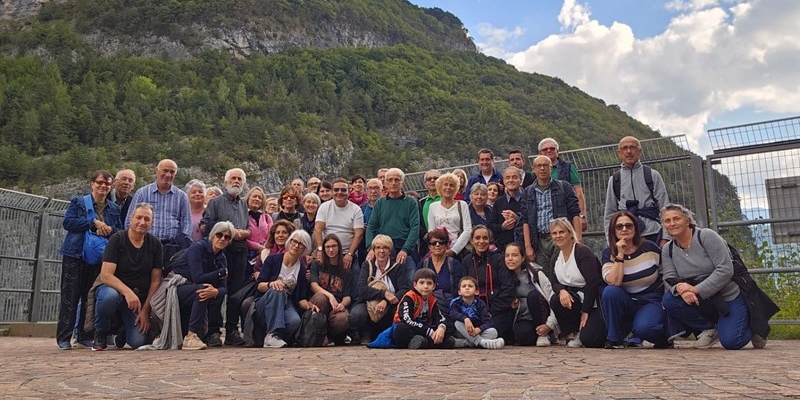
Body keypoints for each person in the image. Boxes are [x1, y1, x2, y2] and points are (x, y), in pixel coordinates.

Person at [660, 204, 757, 350]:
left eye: (676, 219)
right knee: (669, 300)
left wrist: (695, 289)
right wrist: (681, 289)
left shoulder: (705, 236)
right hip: (702, 300)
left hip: (727, 297)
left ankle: (756, 327)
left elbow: (725, 269)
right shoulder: (668, 249)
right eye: (667, 221)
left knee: (732, 342)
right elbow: (669, 277)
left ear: (687, 220)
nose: (672, 223)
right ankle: (709, 329)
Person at [57, 170, 123, 349]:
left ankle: (83, 334)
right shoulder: (78, 203)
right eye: (100, 182)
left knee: (89, 296)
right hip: (75, 254)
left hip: (98, 258)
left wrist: (109, 229)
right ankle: (64, 336)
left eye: (107, 184)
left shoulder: (114, 209)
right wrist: (92, 223)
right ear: (92, 183)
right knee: (70, 296)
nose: (103, 186)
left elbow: (120, 231)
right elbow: (68, 223)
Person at [92, 203, 163, 351]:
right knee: (108, 297)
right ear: (131, 218)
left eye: (147, 219)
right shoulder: (117, 240)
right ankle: (101, 333)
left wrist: (145, 310)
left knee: (139, 342)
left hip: (138, 300)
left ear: (152, 222)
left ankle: (123, 330)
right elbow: (106, 275)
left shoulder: (155, 244)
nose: (142, 222)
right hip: (114, 290)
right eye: (138, 217)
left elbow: (156, 280)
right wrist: (127, 292)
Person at [600, 211, 668, 349]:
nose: (624, 229)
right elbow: (614, 282)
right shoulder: (609, 253)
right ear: (613, 231)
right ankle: (615, 339)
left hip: (651, 300)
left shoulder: (650, 247)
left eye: (628, 225)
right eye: (619, 227)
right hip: (627, 302)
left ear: (635, 228)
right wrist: (620, 254)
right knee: (610, 291)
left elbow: (666, 274)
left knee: (645, 329)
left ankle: (663, 333)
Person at [201, 168, 250, 347]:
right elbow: (206, 225)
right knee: (218, 290)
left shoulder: (244, 204)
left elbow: (247, 228)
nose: (236, 181)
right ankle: (213, 331)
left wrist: (245, 233)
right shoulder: (215, 202)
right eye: (233, 178)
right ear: (226, 181)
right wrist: (229, 230)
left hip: (240, 252)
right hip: (221, 252)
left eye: (239, 179)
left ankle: (231, 330)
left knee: (236, 294)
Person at [174, 221, 236, 350]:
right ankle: (191, 337)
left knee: (207, 290)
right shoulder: (198, 247)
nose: (223, 239)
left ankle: (200, 333)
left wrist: (216, 292)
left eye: (227, 237)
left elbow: (224, 288)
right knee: (203, 289)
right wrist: (220, 273)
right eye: (219, 235)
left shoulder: (221, 258)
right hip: (177, 286)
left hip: (194, 289)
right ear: (213, 235)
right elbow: (198, 277)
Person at [548, 217, 606, 348]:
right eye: (554, 233)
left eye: (561, 232)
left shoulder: (582, 252)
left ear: (569, 233)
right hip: (574, 299)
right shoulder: (556, 257)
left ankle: (589, 329)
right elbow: (554, 282)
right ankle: (572, 332)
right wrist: (562, 291)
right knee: (555, 300)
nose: (558, 236)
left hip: (593, 301)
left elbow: (593, 282)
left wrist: (586, 311)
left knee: (591, 340)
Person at [521, 155, 582, 277]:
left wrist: (578, 239)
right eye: (539, 166)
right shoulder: (527, 192)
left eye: (545, 165)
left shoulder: (564, 187)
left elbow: (575, 213)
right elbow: (525, 220)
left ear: (551, 168)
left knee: (564, 273)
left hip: (561, 238)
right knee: (544, 276)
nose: (542, 169)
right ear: (533, 169)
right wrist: (528, 246)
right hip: (539, 241)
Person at [604, 136, 671, 246]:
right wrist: (610, 241)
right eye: (625, 148)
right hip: (625, 235)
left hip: (653, 233)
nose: (629, 151)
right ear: (619, 153)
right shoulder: (615, 180)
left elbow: (665, 207)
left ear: (640, 151)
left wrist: (665, 238)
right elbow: (609, 213)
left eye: (632, 147)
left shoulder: (652, 175)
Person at [253, 230, 314, 348]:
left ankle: (278, 337)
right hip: (265, 302)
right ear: (289, 242)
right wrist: (271, 284)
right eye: (294, 241)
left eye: (301, 244)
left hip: (287, 303)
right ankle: (271, 335)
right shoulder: (273, 259)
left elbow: (301, 298)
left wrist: (310, 306)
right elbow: (259, 286)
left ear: (305, 249)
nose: (296, 246)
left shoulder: (301, 268)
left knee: (294, 321)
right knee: (278, 290)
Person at [126, 159, 192, 264]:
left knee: (169, 279)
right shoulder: (142, 193)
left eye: (172, 172)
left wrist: (181, 241)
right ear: (156, 171)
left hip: (173, 247)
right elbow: (130, 220)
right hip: (146, 245)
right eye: (165, 170)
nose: (168, 175)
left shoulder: (181, 196)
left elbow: (187, 223)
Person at [350, 234, 411, 343]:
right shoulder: (367, 265)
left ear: (390, 250)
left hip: (390, 306)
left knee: (399, 311)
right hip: (368, 304)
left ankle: (387, 334)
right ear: (373, 250)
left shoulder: (398, 267)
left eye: (385, 248)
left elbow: (404, 290)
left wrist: (385, 301)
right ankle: (365, 334)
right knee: (356, 314)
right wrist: (384, 294)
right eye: (378, 248)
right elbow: (362, 289)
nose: (381, 251)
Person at [461, 225, 515, 342]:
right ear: (471, 241)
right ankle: (481, 341)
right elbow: (461, 288)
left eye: (485, 238)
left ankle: (473, 341)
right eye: (477, 238)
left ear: (489, 240)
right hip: (474, 311)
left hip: (496, 311)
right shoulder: (466, 261)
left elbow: (508, 288)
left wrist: (490, 310)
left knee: (494, 330)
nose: (481, 241)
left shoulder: (499, 259)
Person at [313, 178, 365, 302]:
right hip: (327, 252)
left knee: (355, 277)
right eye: (336, 190)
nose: (339, 192)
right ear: (331, 192)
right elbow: (318, 229)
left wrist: (350, 254)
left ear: (349, 191)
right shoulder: (324, 207)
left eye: (343, 190)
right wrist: (320, 249)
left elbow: (358, 234)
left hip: (347, 253)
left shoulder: (356, 209)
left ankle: (355, 307)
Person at [365, 168, 420, 281]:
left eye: (397, 180)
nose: (393, 183)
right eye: (390, 180)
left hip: (404, 249)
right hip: (383, 250)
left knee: (410, 281)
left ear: (402, 183)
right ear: (385, 183)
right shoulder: (380, 203)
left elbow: (415, 227)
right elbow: (371, 226)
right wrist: (371, 248)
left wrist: (405, 249)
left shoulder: (410, 202)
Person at [503, 243, 559, 347]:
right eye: (507, 255)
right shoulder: (504, 277)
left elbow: (552, 299)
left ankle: (545, 334)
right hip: (523, 318)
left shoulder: (536, 274)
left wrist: (549, 325)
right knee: (523, 336)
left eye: (514, 255)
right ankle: (536, 334)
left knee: (533, 296)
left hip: (542, 316)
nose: (510, 259)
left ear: (523, 257)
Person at [392, 268, 460, 349]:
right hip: (410, 328)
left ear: (434, 286)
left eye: (429, 283)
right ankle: (423, 342)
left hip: (424, 329)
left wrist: (441, 328)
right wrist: (429, 332)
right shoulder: (409, 297)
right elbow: (406, 319)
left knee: (448, 327)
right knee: (401, 329)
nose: (425, 286)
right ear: (415, 285)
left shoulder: (432, 300)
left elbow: (439, 317)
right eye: (421, 283)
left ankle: (424, 342)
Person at [308, 234, 353, 345]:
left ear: (339, 248)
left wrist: (342, 304)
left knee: (343, 319)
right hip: (321, 302)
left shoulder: (346, 270)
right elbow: (313, 286)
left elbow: (348, 296)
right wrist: (330, 296)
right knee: (320, 298)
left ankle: (331, 336)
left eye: (334, 246)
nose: (331, 249)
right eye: (327, 247)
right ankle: (320, 334)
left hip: (336, 305)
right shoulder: (317, 265)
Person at [539, 138, 588, 231]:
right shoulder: (536, 172)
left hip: (566, 215)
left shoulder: (568, 167)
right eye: (545, 149)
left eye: (552, 148)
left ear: (558, 151)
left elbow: (578, 192)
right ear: (540, 153)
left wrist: (581, 215)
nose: (548, 150)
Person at [417, 229, 465, 317]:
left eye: (441, 242)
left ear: (446, 245)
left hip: (450, 308)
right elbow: (417, 289)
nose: (437, 245)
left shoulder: (455, 264)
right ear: (429, 246)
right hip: (426, 309)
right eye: (433, 242)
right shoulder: (423, 265)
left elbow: (459, 289)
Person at [449, 276, 505, 349]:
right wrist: (465, 319)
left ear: (476, 291)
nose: (467, 288)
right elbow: (452, 314)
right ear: (459, 292)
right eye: (464, 286)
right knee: (457, 323)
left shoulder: (480, 303)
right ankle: (482, 343)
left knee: (493, 332)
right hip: (463, 332)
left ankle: (466, 343)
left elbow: (488, 322)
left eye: (470, 286)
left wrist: (479, 329)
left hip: (476, 331)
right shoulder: (456, 302)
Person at [427, 173, 472, 260]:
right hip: (438, 249)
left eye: (451, 185)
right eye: (445, 184)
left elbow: (468, 230)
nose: (448, 187)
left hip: (458, 250)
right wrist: (439, 248)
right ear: (440, 187)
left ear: (455, 188)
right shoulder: (433, 206)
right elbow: (431, 231)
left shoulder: (462, 205)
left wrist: (454, 250)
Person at [489, 166, 524, 252]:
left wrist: (517, 218)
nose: (511, 180)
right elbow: (492, 225)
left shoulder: (527, 198)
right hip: (504, 248)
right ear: (504, 181)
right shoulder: (499, 202)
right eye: (507, 178)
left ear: (521, 180)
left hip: (525, 246)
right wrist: (502, 227)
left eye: (514, 177)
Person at [244, 186, 273, 266]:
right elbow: (242, 238)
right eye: (254, 196)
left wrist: (265, 247)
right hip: (247, 254)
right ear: (248, 198)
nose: (257, 199)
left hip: (265, 253)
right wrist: (258, 247)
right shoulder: (242, 216)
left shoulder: (267, 217)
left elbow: (272, 234)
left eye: (260, 197)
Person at [357, 178, 382, 267]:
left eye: (376, 188)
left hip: (382, 247)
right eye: (370, 188)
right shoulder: (361, 208)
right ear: (366, 191)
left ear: (382, 190)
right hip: (365, 247)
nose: (373, 191)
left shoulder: (386, 206)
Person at [417, 170, 441, 258]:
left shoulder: (448, 200)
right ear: (425, 184)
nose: (432, 180)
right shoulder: (421, 203)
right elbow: (418, 223)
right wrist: (425, 235)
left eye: (435, 178)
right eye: (429, 179)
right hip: (427, 245)